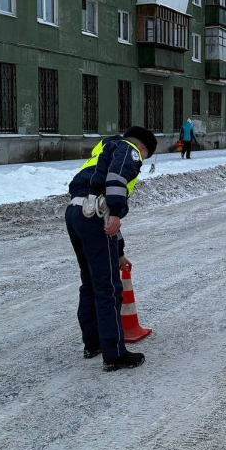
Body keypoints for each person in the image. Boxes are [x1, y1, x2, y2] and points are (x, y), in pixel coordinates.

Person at [65, 126, 157, 372]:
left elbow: (100, 201)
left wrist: (119, 252)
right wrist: (116, 211)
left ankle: (92, 343)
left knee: (90, 282)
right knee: (108, 288)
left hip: (76, 212)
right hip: (95, 215)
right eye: (145, 158)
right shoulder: (130, 150)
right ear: (144, 148)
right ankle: (114, 353)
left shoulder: (106, 148)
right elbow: (116, 180)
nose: (142, 162)